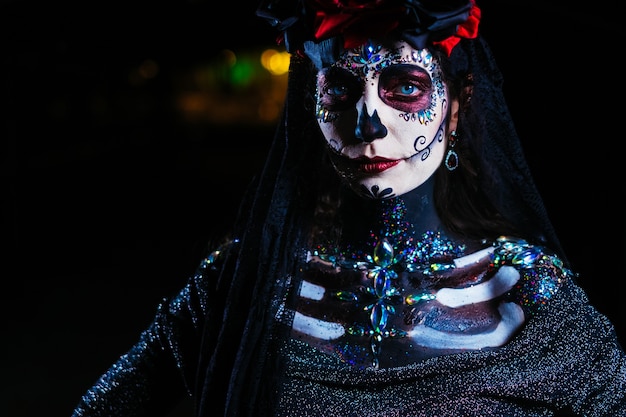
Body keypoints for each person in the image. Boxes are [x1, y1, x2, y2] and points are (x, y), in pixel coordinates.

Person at [71, 0, 626, 415]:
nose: (367, 124)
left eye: (405, 88)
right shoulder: (243, 281)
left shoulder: (531, 295)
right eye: (338, 89)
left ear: (457, 107)